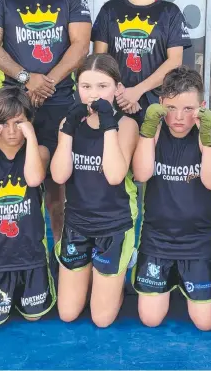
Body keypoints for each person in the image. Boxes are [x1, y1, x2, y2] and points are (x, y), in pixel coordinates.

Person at [0, 0, 92, 242]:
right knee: (8, 184)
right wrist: (28, 80)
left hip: (60, 103)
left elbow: (81, 45)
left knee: (59, 188)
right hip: (13, 102)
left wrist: (48, 82)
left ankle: (60, 255)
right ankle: (11, 252)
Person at [50, 54, 139, 327]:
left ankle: (118, 271)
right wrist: (67, 131)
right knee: (67, 313)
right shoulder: (70, 123)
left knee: (101, 319)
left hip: (113, 225)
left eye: (102, 86)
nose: (93, 94)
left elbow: (114, 175)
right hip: (77, 224)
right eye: (86, 86)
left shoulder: (126, 125)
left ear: (117, 89)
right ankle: (92, 274)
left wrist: (108, 123)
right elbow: (59, 175)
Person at [131, 67, 211, 330]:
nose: (179, 117)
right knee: (150, 319)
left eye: (188, 108)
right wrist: (148, 132)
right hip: (157, 239)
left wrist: (206, 140)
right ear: (160, 104)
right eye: (171, 107)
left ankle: (186, 282)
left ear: (202, 107)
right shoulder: (154, 131)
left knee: (205, 324)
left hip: (198, 241)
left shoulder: (209, 133)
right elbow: (141, 174)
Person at [0, 86, 55, 327]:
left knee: (34, 315)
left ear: (29, 121)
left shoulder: (40, 152)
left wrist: (32, 136)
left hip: (30, 255)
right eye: (4, 123)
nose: (12, 131)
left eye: (19, 123)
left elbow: (35, 179)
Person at [92, 0, 191, 124]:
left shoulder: (170, 12)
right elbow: (99, 59)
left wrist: (137, 91)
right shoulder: (110, 9)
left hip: (156, 102)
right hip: (115, 100)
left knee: (151, 150)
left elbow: (175, 61)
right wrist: (120, 92)